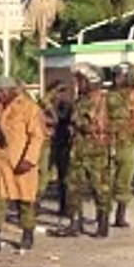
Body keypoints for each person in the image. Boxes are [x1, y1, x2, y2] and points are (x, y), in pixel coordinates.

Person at [0, 76, 44, 252]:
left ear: (13, 91)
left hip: (20, 161)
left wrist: (29, 159)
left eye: (3, 91)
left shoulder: (29, 108)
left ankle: (27, 234)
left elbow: (37, 136)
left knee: (25, 200)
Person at [54, 64, 118, 238]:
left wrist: (90, 127)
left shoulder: (105, 100)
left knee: (100, 188)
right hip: (77, 150)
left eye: (81, 80)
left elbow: (117, 123)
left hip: (97, 152)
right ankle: (75, 224)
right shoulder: (80, 100)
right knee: (72, 186)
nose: (78, 84)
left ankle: (102, 224)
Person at [109, 62, 134, 227]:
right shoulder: (109, 96)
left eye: (119, 75)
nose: (116, 79)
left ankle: (120, 215)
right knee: (111, 178)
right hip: (113, 141)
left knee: (125, 178)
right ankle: (107, 216)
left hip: (130, 141)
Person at [38, 81, 73, 217]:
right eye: (58, 91)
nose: (61, 95)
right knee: (43, 175)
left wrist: (50, 109)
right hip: (48, 143)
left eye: (63, 92)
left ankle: (65, 207)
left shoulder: (67, 106)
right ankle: (36, 203)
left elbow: (59, 119)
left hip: (63, 144)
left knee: (64, 177)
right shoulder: (45, 106)